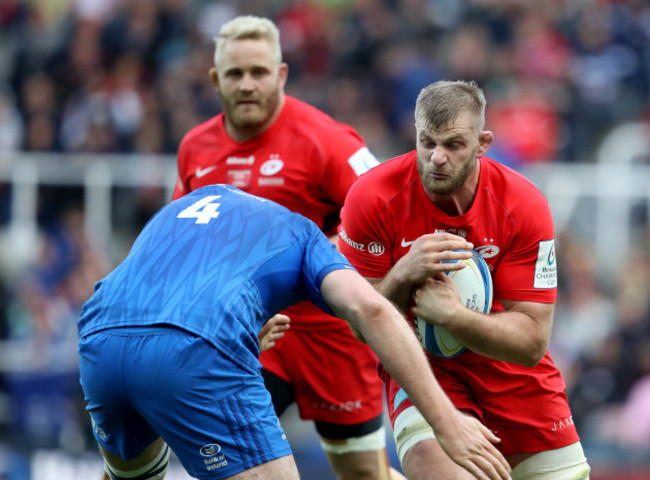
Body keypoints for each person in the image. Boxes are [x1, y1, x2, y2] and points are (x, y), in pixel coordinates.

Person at [77, 184, 512, 480]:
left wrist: (242, 332)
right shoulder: (306, 235)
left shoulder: (192, 202)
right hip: (197, 350)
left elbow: (164, 284)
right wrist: (447, 422)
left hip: (98, 342)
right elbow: (372, 311)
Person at [172, 15, 401, 480]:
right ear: (216, 79)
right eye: (235, 74)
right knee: (231, 461)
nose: (247, 84)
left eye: (259, 72)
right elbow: (179, 241)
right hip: (251, 335)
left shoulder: (328, 140)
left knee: (362, 472)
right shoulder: (195, 149)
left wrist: (315, 258)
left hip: (330, 333)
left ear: (281, 75)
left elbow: (388, 214)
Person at [338, 80, 592, 480]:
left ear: (482, 142)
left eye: (453, 145)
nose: (436, 158)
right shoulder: (371, 197)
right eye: (427, 142)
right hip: (424, 371)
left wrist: (453, 316)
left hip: (514, 376)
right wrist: (402, 274)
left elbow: (531, 344)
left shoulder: (524, 204)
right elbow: (358, 325)